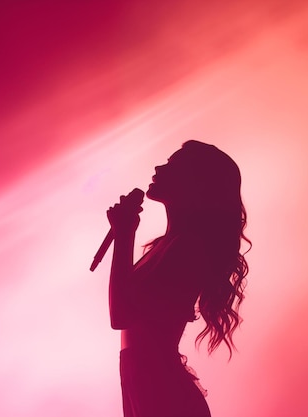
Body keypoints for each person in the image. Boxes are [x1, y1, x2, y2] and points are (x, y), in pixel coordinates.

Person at [106, 140, 250, 417]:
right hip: (146, 386)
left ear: (196, 183)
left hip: (162, 394)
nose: (159, 167)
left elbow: (121, 316)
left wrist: (124, 233)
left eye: (174, 166)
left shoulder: (188, 248)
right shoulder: (166, 245)